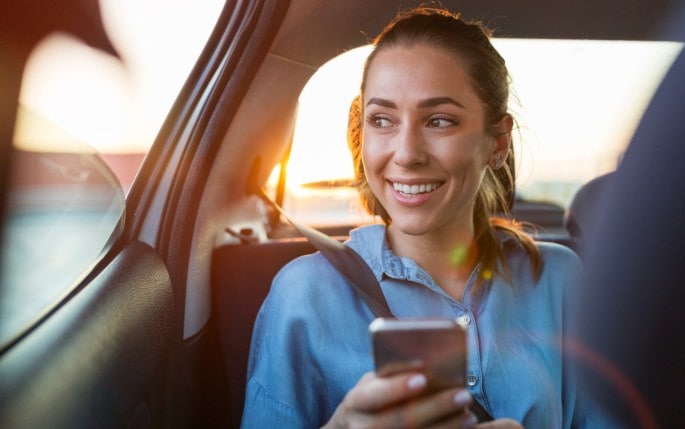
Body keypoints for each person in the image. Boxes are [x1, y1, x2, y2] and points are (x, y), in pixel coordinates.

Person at [242, 6, 612, 428]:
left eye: (439, 121)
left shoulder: (558, 279)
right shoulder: (303, 294)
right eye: (382, 120)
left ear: (498, 142)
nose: (406, 153)